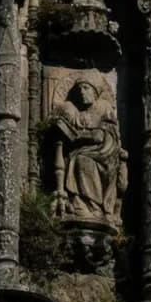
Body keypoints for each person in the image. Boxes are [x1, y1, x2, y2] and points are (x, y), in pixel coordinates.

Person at [49, 79, 127, 224]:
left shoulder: (104, 108)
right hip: (83, 152)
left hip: (105, 154)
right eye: (79, 90)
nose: (82, 92)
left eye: (86, 88)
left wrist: (90, 136)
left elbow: (110, 135)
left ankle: (96, 208)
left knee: (82, 160)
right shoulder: (78, 114)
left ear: (95, 93)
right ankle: (80, 204)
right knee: (77, 158)